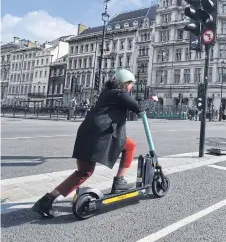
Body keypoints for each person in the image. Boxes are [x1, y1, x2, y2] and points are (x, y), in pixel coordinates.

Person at [31, 69, 158, 218]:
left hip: (87, 132)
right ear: (126, 83)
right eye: (130, 84)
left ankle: (47, 200)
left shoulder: (107, 92)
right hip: (102, 135)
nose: (131, 88)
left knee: (86, 170)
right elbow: (138, 107)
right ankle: (119, 182)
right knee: (125, 149)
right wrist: (152, 100)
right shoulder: (120, 93)